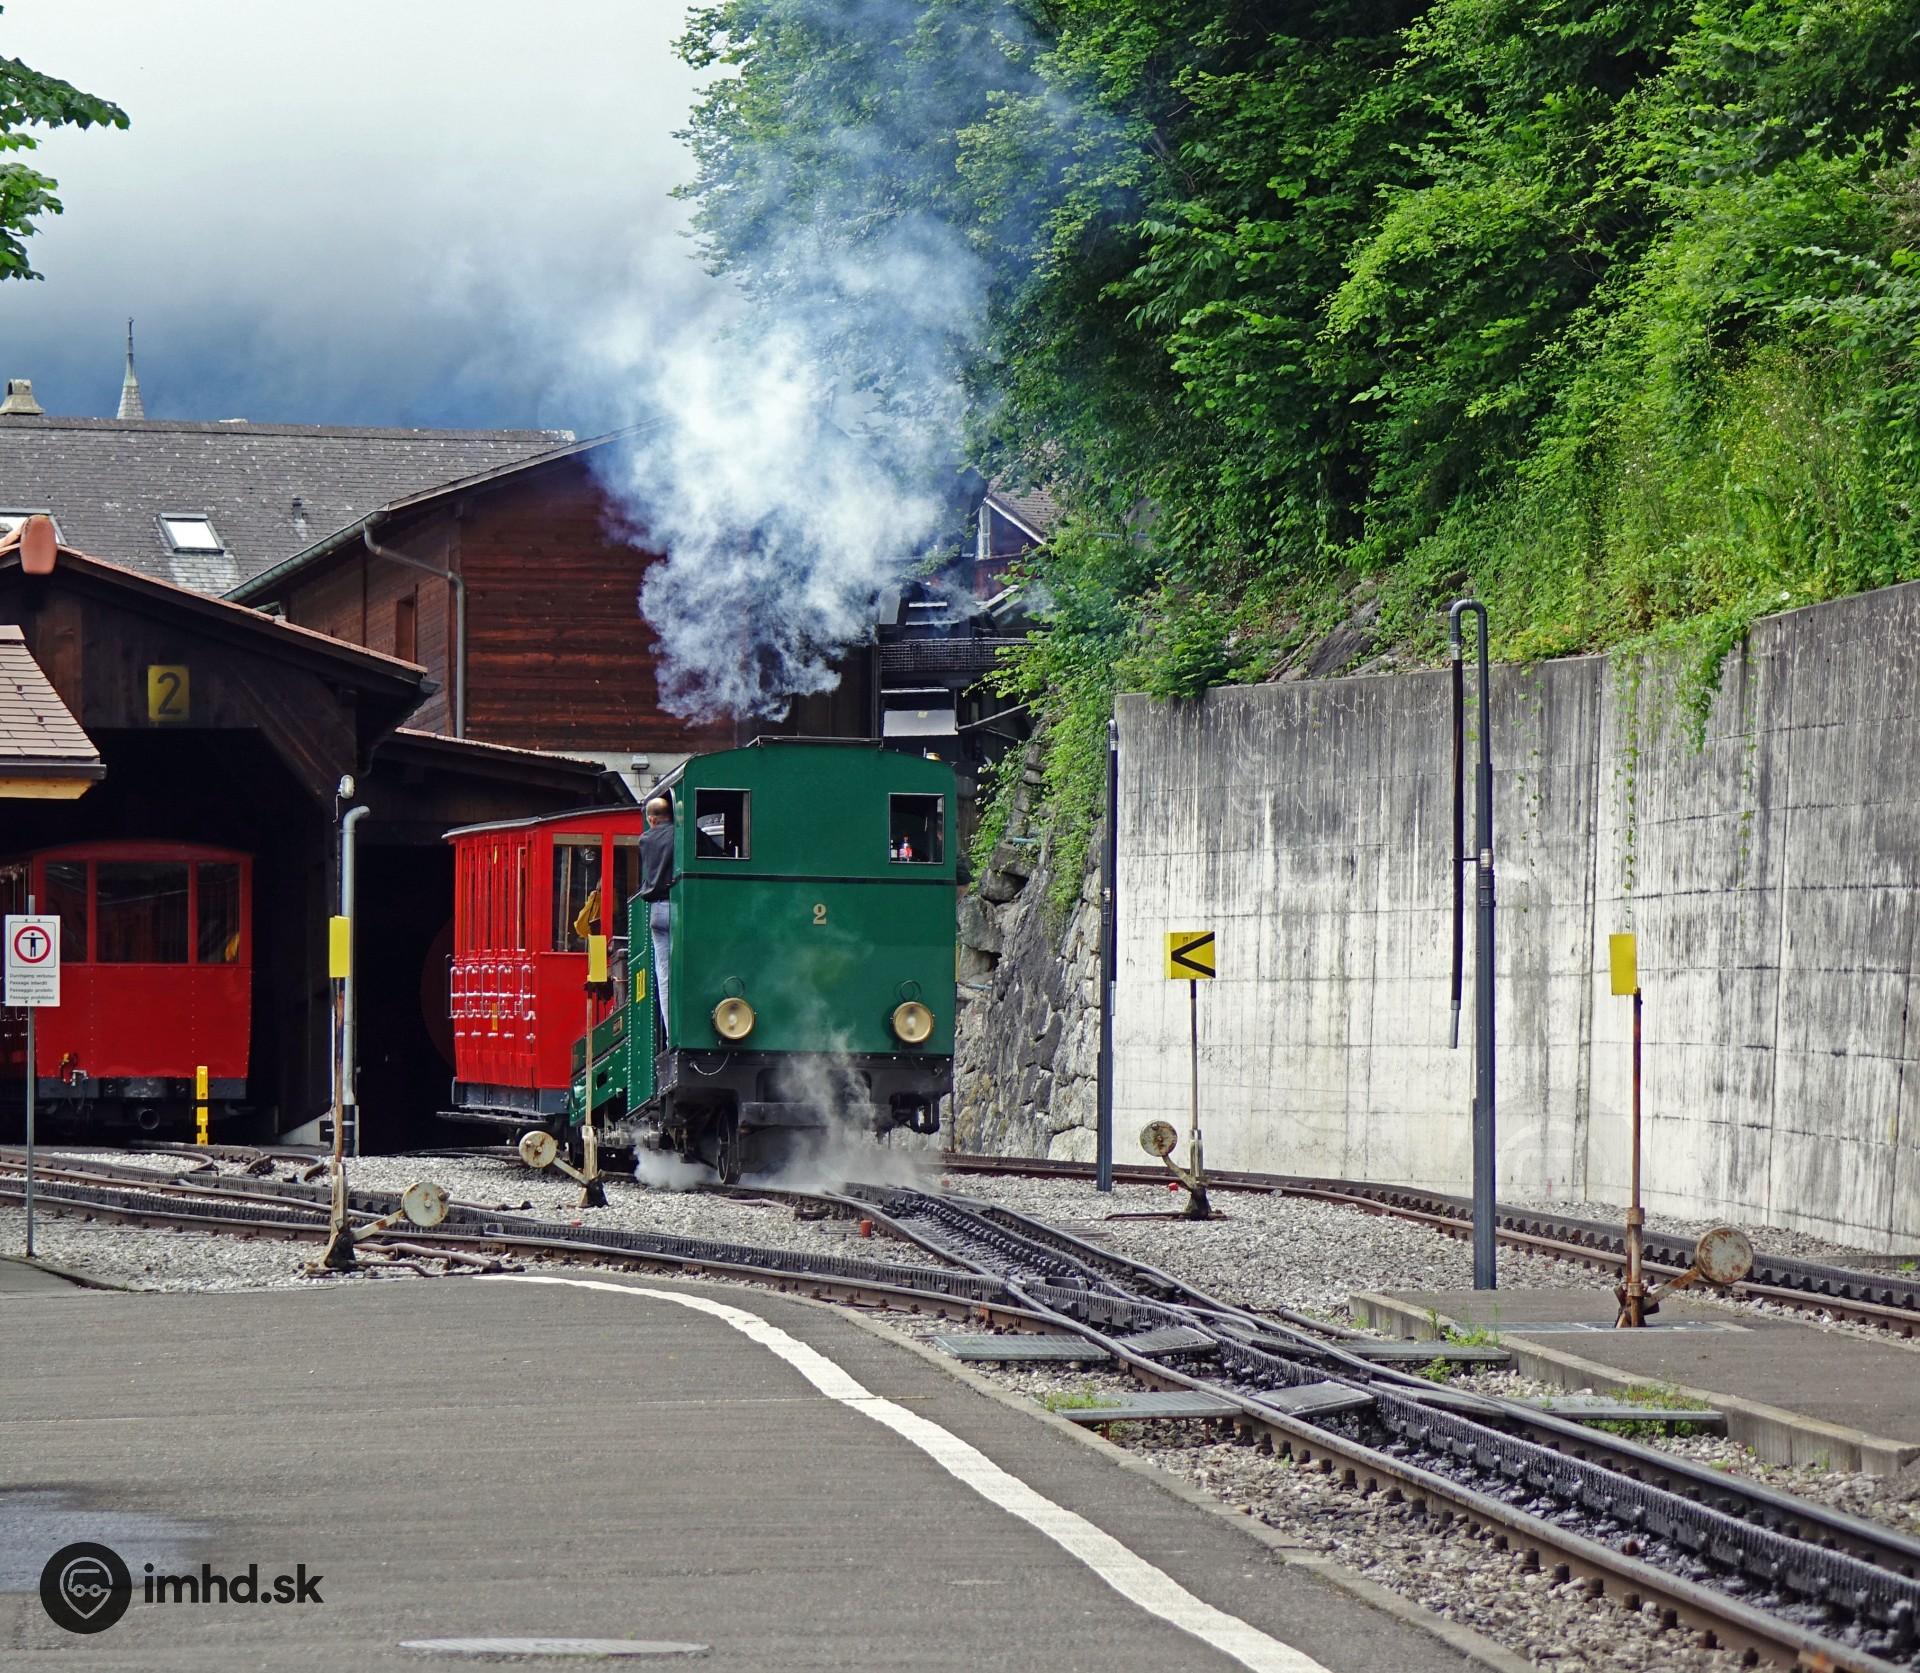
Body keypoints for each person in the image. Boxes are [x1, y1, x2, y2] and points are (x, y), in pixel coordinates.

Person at [638, 794, 675, 1039]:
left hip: (657, 910)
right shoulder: (679, 835)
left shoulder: (645, 839)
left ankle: (672, 1034)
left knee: (664, 975)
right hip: (679, 907)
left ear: (652, 819)